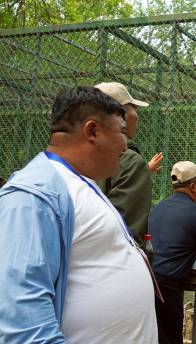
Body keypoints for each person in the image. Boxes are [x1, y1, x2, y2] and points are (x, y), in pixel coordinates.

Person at [0, 86, 158, 343]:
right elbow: (22, 318)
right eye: (121, 132)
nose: (126, 143)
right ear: (92, 132)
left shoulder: (81, 182)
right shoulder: (32, 196)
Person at [148, 161, 196, 344]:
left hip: (145, 278)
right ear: (193, 186)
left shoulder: (159, 207)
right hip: (166, 285)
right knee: (170, 338)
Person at [95, 82, 163, 248]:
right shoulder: (131, 161)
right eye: (134, 109)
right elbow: (124, 235)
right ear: (120, 114)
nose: (137, 116)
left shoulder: (80, 156)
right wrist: (139, 168)